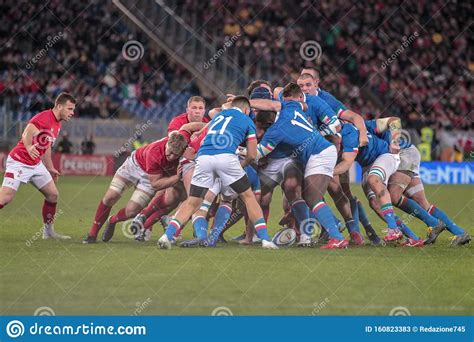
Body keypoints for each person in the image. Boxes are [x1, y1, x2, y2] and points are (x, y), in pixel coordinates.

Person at [158, 96, 278, 250]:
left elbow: (209, 123)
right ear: (247, 110)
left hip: (204, 158)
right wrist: (241, 165)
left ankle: (167, 236)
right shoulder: (247, 120)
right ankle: (266, 240)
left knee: (192, 202)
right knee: (248, 198)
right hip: (227, 158)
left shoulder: (219, 116)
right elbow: (252, 155)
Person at [254, 83, 349, 249]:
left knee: (312, 197)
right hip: (319, 152)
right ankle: (334, 232)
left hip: (319, 154)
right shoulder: (291, 106)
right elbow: (302, 104)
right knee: (309, 196)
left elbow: (256, 153)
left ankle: (336, 236)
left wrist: (236, 150)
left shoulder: (276, 131)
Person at [82, 123, 203, 244]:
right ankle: (92, 234)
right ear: (167, 143)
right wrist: (176, 178)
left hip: (149, 178)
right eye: (169, 152)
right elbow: (155, 184)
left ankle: (112, 220)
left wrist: (209, 125)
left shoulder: (181, 140)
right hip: (134, 166)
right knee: (110, 197)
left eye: (175, 155)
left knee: (132, 211)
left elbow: (188, 127)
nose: (171, 157)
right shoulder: (155, 152)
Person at [0, 92, 76, 240]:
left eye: (73, 109)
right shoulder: (44, 118)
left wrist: (50, 167)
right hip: (19, 162)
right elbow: (27, 132)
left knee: (53, 195)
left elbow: (46, 146)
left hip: (35, 164)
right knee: (5, 198)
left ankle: (48, 232)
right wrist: (28, 147)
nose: (72, 113)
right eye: (70, 109)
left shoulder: (57, 123)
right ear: (59, 106)